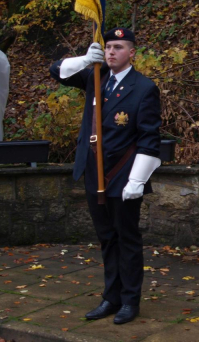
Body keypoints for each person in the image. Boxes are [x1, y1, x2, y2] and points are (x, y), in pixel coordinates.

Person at [50, 28, 161, 324]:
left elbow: (150, 138)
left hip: (122, 175)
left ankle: (129, 301)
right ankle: (111, 297)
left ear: (132, 53)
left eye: (118, 47)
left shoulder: (143, 88)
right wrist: (86, 59)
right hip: (92, 172)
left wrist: (137, 180)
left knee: (127, 239)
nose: (111, 52)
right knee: (106, 240)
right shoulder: (95, 77)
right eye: (108, 47)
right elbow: (56, 71)